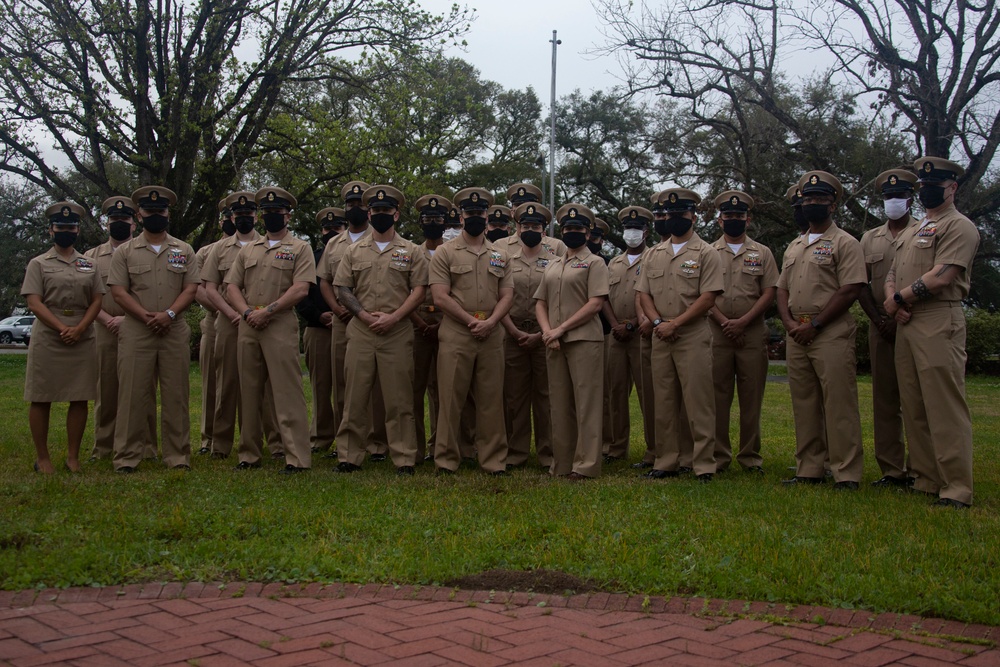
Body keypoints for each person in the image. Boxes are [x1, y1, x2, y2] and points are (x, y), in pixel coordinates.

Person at [883, 156, 980, 508]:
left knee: (944, 405)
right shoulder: (915, 229)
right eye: (923, 186)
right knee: (914, 404)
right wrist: (894, 300)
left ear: (952, 188)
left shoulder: (960, 226)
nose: (927, 191)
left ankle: (956, 487)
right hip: (908, 321)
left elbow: (943, 276)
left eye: (935, 185)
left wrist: (897, 299)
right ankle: (925, 477)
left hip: (939, 320)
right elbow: (893, 271)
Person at [777, 171, 866, 489]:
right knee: (804, 403)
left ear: (832, 205)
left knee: (839, 403)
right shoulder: (795, 245)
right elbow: (781, 289)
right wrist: (789, 324)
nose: (812, 204)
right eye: (808, 199)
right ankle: (810, 468)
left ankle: (846, 472)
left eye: (820, 199)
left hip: (829, 331)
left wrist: (815, 325)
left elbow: (850, 289)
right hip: (796, 332)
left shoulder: (845, 243)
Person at [333, 185, 428, 474]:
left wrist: (395, 317)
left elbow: (419, 290)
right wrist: (362, 315)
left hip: (397, 332)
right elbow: (342, 288)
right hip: (361, 331)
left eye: (386, 210)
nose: (379, 214)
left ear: (396, 214)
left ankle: (404, 458)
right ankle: (349, 456)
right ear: (369, 213)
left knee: (399, 399)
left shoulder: (411, 251)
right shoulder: (352, 251)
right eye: (375, 210)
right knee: (354, 397)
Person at [108, 186, 200, 472]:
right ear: (140, 214)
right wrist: (147, 317)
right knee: (133, 395)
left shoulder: (183, 250)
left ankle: (178, 456)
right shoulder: (124, 251)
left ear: (168, 214)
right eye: (150, 211)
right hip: (137, 330)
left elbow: (192, 288)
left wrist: (169, 314)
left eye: (161, 211)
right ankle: (127, 457)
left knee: (176, 395)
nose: (156, 215)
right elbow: (119, 292)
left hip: (173, 330)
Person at [636, 188, 723, 482]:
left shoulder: (706, 253)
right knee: (664, 401)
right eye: (669, 214)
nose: (674, 219)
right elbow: (644, 294)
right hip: (662, 335)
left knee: (699, 403)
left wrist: (677, 324)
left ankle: (703, 464)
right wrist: (659, 321)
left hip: (692, 335)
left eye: (680, 214)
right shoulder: (654, 254)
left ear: (693, 216)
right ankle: (666, 460)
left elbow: (708, 297)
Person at [226, 187, 314, 473]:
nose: (272, 216)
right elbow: (231, 287)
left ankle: (296, 458)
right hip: (249, 324)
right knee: (249, 391)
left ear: (288, 215)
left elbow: (300, 289)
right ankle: (249, 454)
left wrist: (269, 311)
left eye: (277, 212)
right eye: (267, 212)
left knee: (287, 392)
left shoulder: (300, 248)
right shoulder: (248, 250)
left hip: (279, 323)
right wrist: (248, 312)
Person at [429, 187, 513, 475]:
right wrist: (470, 321)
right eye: (469, 213)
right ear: (461, 216)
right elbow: (440, 297)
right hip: (456, 334)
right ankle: (446, 459)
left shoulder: (500, 254)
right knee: (451, 399)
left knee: (491, 401)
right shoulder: (444, 252)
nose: (475, 217)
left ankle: (493, 461)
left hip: (491, 334)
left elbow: (507, 295)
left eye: (480, 213)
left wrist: (490, 322)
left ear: (487, 216)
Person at [22, 201, 104, 474]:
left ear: (78, 230)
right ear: (51, 231)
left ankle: (72, 457)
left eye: (71, 227)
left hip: (82, 334)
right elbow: (34, 302)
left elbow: (96, 300)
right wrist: (61, 328)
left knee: (79, 396)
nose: (66, 231)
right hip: (49, 333)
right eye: (61, 227)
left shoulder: (89, 264)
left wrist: (80, 328)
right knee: (41, 396)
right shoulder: (38, 263)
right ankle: (42, 458)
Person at [535, 203, 610, 479]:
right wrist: (547, 332)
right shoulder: (553, 263)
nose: (572, 232)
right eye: (567, 228)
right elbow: (540, 302)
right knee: (559, 404)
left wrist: (561, 329)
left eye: (578, 228)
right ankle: (562, 463)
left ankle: (586, 465)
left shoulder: (595, 263)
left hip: (584, 341)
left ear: (588, 232)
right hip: (554, 342)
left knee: (587, 405)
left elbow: (596, 304)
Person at [317, 181, 389, 461]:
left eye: (360, 204)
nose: (355, 209)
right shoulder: (334, 243)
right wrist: (337, 308)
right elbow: (325, 281)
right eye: (351, 204)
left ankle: (377, 443)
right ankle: (344, 441)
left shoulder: (384, 238)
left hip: (377, 323)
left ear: (369, 209)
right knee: (343, 383)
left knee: (378, 387)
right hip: (343, 321)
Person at [707, 191, 778, 473]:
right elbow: (702, 293)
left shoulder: (762, 253)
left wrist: (743, 321)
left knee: (752, 398)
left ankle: (750, 457)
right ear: (719, 221)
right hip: (716, 332)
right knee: (717, 397)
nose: (734, 220)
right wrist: (725, 321)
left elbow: (769, 291)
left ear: (748, 219)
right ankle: (719, 456)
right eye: (728, 216)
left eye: (739, 216)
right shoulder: (708, 252)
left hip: (751, 332)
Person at [85, 196, 158, 462]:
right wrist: (106, 320)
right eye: (114, 219)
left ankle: (147, 446)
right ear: (107, 223)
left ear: (134, 223)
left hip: (140, 327)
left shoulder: (148, 252)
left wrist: (131, 319)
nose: (119, 223)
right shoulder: (91, 258)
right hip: (105, 327)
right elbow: (84, 297)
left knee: (144, 389)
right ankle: (104, 447)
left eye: (124, 219)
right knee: (106, 389)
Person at [859, 169, 917, 487]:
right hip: (881, 327)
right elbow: (859, 284)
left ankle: (920, 468)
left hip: (914, 323)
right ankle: (892, 470)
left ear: (911, 198)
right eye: (888, 197)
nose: (893, 202)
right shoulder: (870, 238)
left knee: (916, 398)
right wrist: (880, 320)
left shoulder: (925, 231)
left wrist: (900, 314)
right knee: (885, 399)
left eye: (899, 196)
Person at [501, 202, 557, 469]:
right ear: (518, 229)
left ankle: (549, 454)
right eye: (526, 226)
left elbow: (558, 300)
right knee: (515, 397)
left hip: (544, 335)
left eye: (536, 226)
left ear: (544, 231)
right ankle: (516, 453)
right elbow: (498, 298)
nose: (530, 230)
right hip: (512, 333)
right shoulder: (505, 259)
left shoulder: (557, 260)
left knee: (546, 397)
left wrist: (541, 334)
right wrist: (513, 331)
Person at [602, 206, 655, 464]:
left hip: (642, 334)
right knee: (615, 393)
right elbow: (603, 297)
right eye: (627, 229)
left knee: (649, 394)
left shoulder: (654, 258)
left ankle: (654, 449)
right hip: (616, 334)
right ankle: (616, 447)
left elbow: (651, 296)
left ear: (646, 232)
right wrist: (615, 325)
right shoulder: (614, 263)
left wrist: (633, 324)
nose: (631, 233)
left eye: (636, 229)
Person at [296, 207, 345, 456]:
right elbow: (299, 292)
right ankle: (320, 438)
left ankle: (349, 439)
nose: (331, 232)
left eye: (337, 228)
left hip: (348, 328)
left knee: (347, 386)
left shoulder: (353, 255)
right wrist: (318, 315)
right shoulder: (311, 257)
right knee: (321, 386)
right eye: (327, 228)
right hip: (318, 329)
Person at [410, 195, 451, 461]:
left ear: (445, 222)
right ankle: (414, 447)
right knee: (413, 387)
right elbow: (404, 291)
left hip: (447, 325)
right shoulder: (412, 252)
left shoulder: (454, 250)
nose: (432, 223)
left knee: (442, 389)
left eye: (437, 219)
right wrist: (420, 322)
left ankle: (439, 445)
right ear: (421, 222)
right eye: (428, 219)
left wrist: (442, 324)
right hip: (416, 324)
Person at [193, 198, 230, 455]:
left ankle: (269, 438)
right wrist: (223, 310)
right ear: (221, 221)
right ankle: (209, 439)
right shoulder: (206, 252)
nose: (232, 220)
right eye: (227, 216)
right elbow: (197, 287)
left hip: (254, 322)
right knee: (212, 382)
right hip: (215, 322)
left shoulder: (260, 247)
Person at [505, 183, 566, 256]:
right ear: (512, 212)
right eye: (518, 205)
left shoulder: (556, 246)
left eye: (528, 205)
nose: (523, 209)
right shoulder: (500, 246)